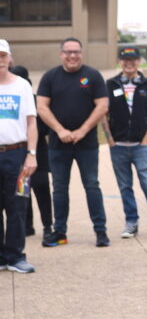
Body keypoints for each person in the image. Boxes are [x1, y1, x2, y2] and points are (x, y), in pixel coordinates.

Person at [37, 37, 110, 247]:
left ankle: (100, 232)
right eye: (68, 52)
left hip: (86, 145)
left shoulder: (92, 76)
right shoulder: (50, 77)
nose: (72, 56)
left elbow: (102, 106)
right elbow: (42, 107)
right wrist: (60, 130)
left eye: (76, 52)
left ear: (81, 53)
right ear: (61, 54)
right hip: (59, 145)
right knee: (59, 189)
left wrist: (82, 130)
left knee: (92, 186)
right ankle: (59, 232)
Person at [101, 47, 147, 238]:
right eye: (125, 59)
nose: (129, 63)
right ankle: (131, 223)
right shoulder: (110, 85)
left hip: (140, 147)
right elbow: (103, 114)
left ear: (139, 61)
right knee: (125, 186)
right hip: (118, 147)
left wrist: (145, 140)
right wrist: (110, 140)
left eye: (133, 59)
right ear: (120, 61)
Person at [0, 39, 37, 273]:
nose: (0, 61)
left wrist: (31, 154)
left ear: (10, 58)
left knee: (18, 205)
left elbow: (31, 122)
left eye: (3, 56)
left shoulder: (22, 86)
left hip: (18, 155)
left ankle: (15, 256)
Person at [9, 65, 53, 238]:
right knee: (22, 191)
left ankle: (48, 225)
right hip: (20, 154)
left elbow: (44, 127)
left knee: (41, 187)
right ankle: (28, 226)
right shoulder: (10, 99)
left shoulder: (36, 101)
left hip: (38, 152)